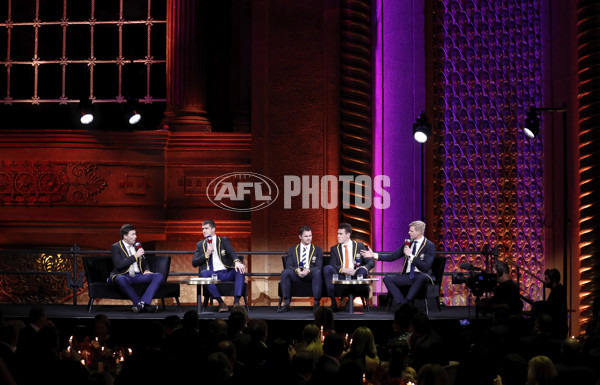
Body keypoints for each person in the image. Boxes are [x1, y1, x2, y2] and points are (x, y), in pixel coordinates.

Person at [361, 220, 436, 308]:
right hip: (408, 276)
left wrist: (411, 256)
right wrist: (374, 255)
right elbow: (392, 256)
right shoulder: (407, 243)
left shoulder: (429, 245)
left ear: (419, 232)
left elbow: (426, 266)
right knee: (387, 279)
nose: (409, 232)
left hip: (423, 275)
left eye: (411, 231)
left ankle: (407, 301)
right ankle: (402, 302)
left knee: (422, 276)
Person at [192, 219, 246, 312]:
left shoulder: (223, 240)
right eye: (202, 229)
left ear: (213, 229)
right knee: (204, 273)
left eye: (206, 228)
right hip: (212, 275)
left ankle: (236, 303)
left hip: (225, 273)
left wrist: (237, 262)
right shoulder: (201, 244)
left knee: (240, 270)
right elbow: (194, 263)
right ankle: (221, 303)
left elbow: (232, 253)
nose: (204, 231)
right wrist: (207, 254)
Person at [110, 224, 163, 313]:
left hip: (138, 275)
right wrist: (135, 256)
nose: (136, 237)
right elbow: (119, 265)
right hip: (124, 275)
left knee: (158, 276)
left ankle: (141, 304)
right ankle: (142, 305)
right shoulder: (116, 247)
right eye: (133, 234)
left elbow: (144, 261)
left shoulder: (137, 245)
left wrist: (146, 269)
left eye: (135, 234)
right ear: (125, 236)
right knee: (120, 279)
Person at [323, 222, 374, 312]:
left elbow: (370, 262)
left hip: (356, 274)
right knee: (327, 268)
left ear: (348, 235)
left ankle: (350, 300)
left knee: (361, 272)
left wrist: (362, 268)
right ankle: (333, 303)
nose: (338, 236)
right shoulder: (334, 248)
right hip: (341, 275)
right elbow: (332, 264)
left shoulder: (359, 245)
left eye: (340, 234)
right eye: (337, 234)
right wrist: (343, 269)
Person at [279, 225, 324, 312]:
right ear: (300, 237)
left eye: (310, 236)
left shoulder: (317, 250)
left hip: (310, 274)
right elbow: (289, 265)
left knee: (317, 272)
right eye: (306, 236)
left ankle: (316, 303)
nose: (309, 238)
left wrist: (308, 270)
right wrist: (297, 270)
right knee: (285, 272)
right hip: (297, 274)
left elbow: (318, 266)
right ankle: (286, 304)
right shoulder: (292, 249)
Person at [532, 268, 568, 339]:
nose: (544, 281)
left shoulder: (558, 291)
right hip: (559, 327)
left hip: (558, 328)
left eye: (546, 279)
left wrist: (537, 305)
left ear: (553, 279)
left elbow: (551, 307)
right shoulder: (557, 290)